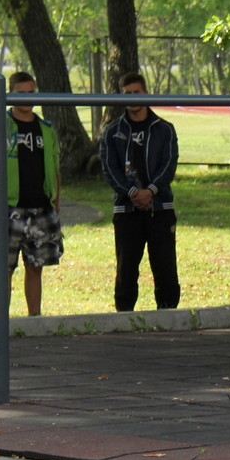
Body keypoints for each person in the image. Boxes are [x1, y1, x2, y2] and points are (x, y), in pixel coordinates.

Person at [98, 73, 181, 312]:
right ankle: (124, 317)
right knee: (126, 270)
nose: (133, 98)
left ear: (146, 94)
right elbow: (110, 169)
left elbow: (169, 164)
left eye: (137, 92)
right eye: (128, 93)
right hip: (126, 210)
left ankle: (168, 317)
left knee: (165, 268)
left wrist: (151, 192)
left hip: (161, 209)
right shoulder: (112, 132)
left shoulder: (165, 129)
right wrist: (133, 192)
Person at [5, 71, 63, 317]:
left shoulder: (46, 129)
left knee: (35, 267)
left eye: (31, 93)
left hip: (41, 208)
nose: (27, 98)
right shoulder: (2, 126)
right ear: (10, 94)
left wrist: (56, 202)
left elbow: (55, 168)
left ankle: (34, 318)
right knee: (3, 269)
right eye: (21, 93)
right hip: (10, 209)